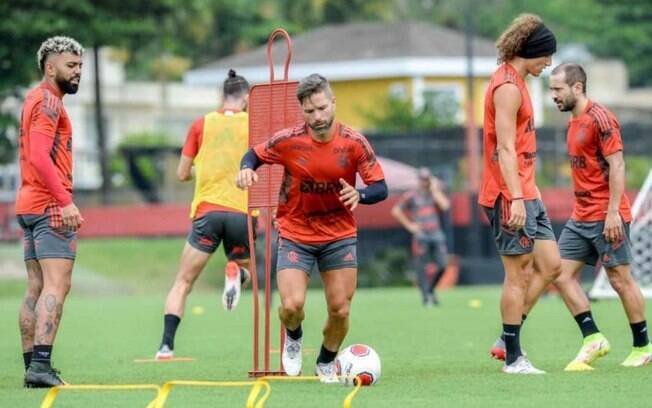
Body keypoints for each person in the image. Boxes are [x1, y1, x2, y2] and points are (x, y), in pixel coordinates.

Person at [236, 74, 388, 383]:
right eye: (309, 112)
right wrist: (246, 170)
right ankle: (293, 337)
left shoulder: (354, 142)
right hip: (295, 233)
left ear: (333, 103)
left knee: (341, 310)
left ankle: (325, 360)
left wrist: (360, 194)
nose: (317, 117)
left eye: (321, 108)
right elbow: (253, 154)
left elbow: (380, 187)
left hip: (339, 236)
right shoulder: (288, 140)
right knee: (291, 306)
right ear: (302, 111)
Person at [549, 63, 651, 369]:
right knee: (559, 273)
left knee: (620, 281)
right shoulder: (572, 121)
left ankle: (643, 347)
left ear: (577, 87)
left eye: (557, 89)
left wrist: (612, 214)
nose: (552, 95)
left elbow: (617, 166)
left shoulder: (601, 118)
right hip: (580, 217)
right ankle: (592, 337)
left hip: (608, 215)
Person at [478, 14, 561, 374]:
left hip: (527, 191)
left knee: (551, 265)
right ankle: (513, 357)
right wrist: (514, 197)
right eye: (547, 57)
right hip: (508, 194)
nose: (549, 64)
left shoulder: (521, 82)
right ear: (533, 51)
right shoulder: (508, 88)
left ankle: (505, 338)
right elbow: (506, 149)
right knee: (519, 274)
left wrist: (530, 191)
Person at [155, 70, 252, 360]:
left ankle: (165, 346)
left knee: (182, 282)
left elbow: (182, 173)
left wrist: (203, 170)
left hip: (207, 212)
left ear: (221, 97)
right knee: (250, 269)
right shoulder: (255, 125)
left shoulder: (201, 125)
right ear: (246, 98)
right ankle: (239, 274)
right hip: (241, 212)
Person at [16, 36, 84, 387]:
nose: (77, 72)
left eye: (80, 66)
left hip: (28, 204)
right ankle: (41, 366)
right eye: (71, 65)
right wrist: (64, 200)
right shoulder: (48, 103)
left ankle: (32, 368)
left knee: (36, 286)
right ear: (50, 66)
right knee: (57, 284)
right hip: (49, 205)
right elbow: (40, 157)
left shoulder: (32, 99)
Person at [392, 167, 450, 306]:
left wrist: (435, 189)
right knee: (421, 267)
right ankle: (426, 297)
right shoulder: (411, 195)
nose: (424, 182)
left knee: (442, 265)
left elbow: (445, 206)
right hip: (421, 235)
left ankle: (430, 290)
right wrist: (410, 226)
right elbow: (396, 211)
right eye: (422, 179)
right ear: (418, 180)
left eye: (427, 179)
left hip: (436, 233)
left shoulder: (434, 194)